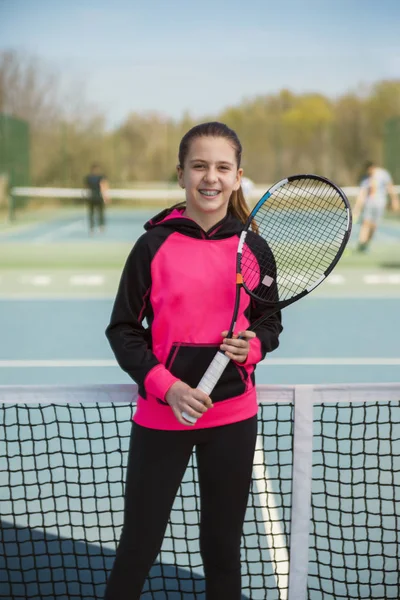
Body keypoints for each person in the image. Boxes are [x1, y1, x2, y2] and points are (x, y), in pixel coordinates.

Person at [104, 122, 283, 599]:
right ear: (181, 174)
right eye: (199, 166)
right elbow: (123, 329)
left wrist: (255, 346)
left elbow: (270, 325)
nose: (211, 177)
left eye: (222, 167)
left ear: (238, 176)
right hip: (163, 417)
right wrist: (168, 386)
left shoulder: (255, 249)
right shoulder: (152, 246)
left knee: (222, 550)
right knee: (138, 546)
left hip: (233, 418)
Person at [353, 160, 399, 252]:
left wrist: (395, 200)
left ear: (373, 167)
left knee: (374, 225)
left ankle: (366, 243)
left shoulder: (383, 174)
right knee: (365, 223)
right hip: (369, 204)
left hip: (380, 204)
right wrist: (357, 208)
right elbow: (362, 194)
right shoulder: (365, 179)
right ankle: (361, 243)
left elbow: (390, 187)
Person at [84, 163, 110, 234]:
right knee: (99, 213)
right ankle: (100, 227)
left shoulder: (88, 177)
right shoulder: (100, 177)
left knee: (93, 213)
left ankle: (92, 228)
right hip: (97, 197)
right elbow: (103, 186)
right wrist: (106, 197)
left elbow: (86, 188)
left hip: (92, 197)